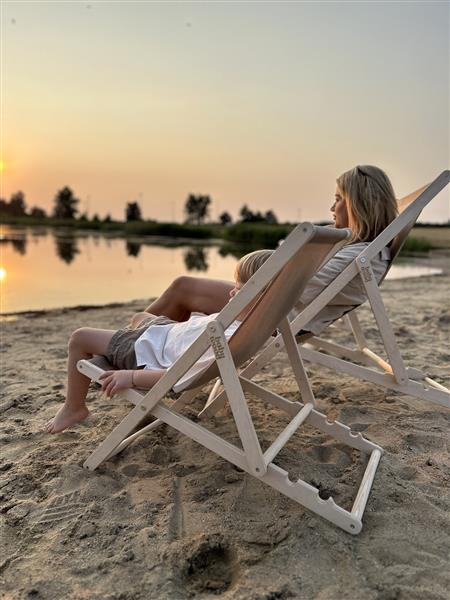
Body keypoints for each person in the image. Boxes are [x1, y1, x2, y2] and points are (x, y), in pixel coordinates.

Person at [143, 165, 398, 334]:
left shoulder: (356, 254)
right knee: (185, 287)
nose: (332, 208)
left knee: (184, 287)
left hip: (272, 313)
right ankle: (140, 345)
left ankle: (128, 346)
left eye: (338, 199)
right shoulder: (357, 248)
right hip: (278, 307)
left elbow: (295, 289)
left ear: (360, 204)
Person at [46, 249, 273, 434]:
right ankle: (111, 356)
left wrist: (132, 377)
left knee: (80, 337)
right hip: (163, 334)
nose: (231, 294)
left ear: (261, 298)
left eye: (240, 290)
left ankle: (74, 407)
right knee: (139, 317)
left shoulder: (227, 337)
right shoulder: (248, 323)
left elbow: (180, 374)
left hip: (147, 351)